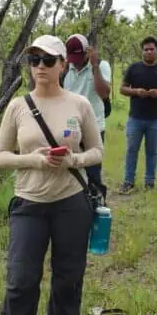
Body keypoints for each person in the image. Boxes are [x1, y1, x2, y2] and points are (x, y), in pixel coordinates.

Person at [0, 35, 104, 315]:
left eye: (47, 60)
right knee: (21, 281)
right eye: (34, 60)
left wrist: (74, 159)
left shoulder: (80, 103)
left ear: (62, 64)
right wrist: (33, 160)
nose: (39, 66)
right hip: (29, 203)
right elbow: (0, 157)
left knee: (69, 277)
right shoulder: (18, 106)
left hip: (71, 202)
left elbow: (97, 151)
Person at [118, 36, 157, 192]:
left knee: (152, 152)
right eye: (146, 49)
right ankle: (128, 181)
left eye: (152, 49)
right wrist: (136, 91)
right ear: (142, 51)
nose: (149, 52)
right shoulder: (133, 68)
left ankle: (149, 182)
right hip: (135, 118)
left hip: (155, 119)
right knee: (132, 150)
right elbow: (122, 89)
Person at [61, 33, 112, 200]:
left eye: (78, 56)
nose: (75, 61)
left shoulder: (101, 66)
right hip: (71, 129)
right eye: (71, 57)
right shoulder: (68, 69)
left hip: (94, 128)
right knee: (71, 170)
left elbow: (104, 93)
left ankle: (98, 209)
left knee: (93, 173)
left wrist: (95, 66)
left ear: (87, 52)